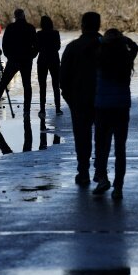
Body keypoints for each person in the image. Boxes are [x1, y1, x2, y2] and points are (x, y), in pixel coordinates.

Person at [92, 29, 138, 199]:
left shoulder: (99, 58)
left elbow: (96, 43)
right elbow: (135, 47)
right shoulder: (126, 59)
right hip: (121, 107)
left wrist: (105, 41)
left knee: (101, 145)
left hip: (102, 107)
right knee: (120, 149)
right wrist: (124, 39)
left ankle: (103, 177)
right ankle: (118, 186)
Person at [60, 11, 102, 186]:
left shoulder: (72, 47)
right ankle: (100, 171)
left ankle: (83, 171)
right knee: (102, 138)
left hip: (79, 98)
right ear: (99, 25)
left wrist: (70, 98)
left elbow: (63, 79)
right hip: (103, 98)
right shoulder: (106, 46)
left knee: (82, 137)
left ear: (82, 25)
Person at [0, 8, 38, 115]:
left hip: (13, 60)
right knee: (27, 85)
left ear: (15, 17)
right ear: (24, 15)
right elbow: (36, 45)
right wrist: (31, 56)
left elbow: (5, 44)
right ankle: (26, 109)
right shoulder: (30, 28)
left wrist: (9, 56)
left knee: (3, 83)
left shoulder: (10, 28)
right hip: (26, 60)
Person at [36, 15, 62, 118]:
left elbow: (37, 47)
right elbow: (58, 46)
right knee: (56, 85)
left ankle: (42, 109)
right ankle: (58, 108)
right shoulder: (56, 33)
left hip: (42, 60)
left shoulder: (39, 34)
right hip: (54, 60)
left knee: (42, 86)